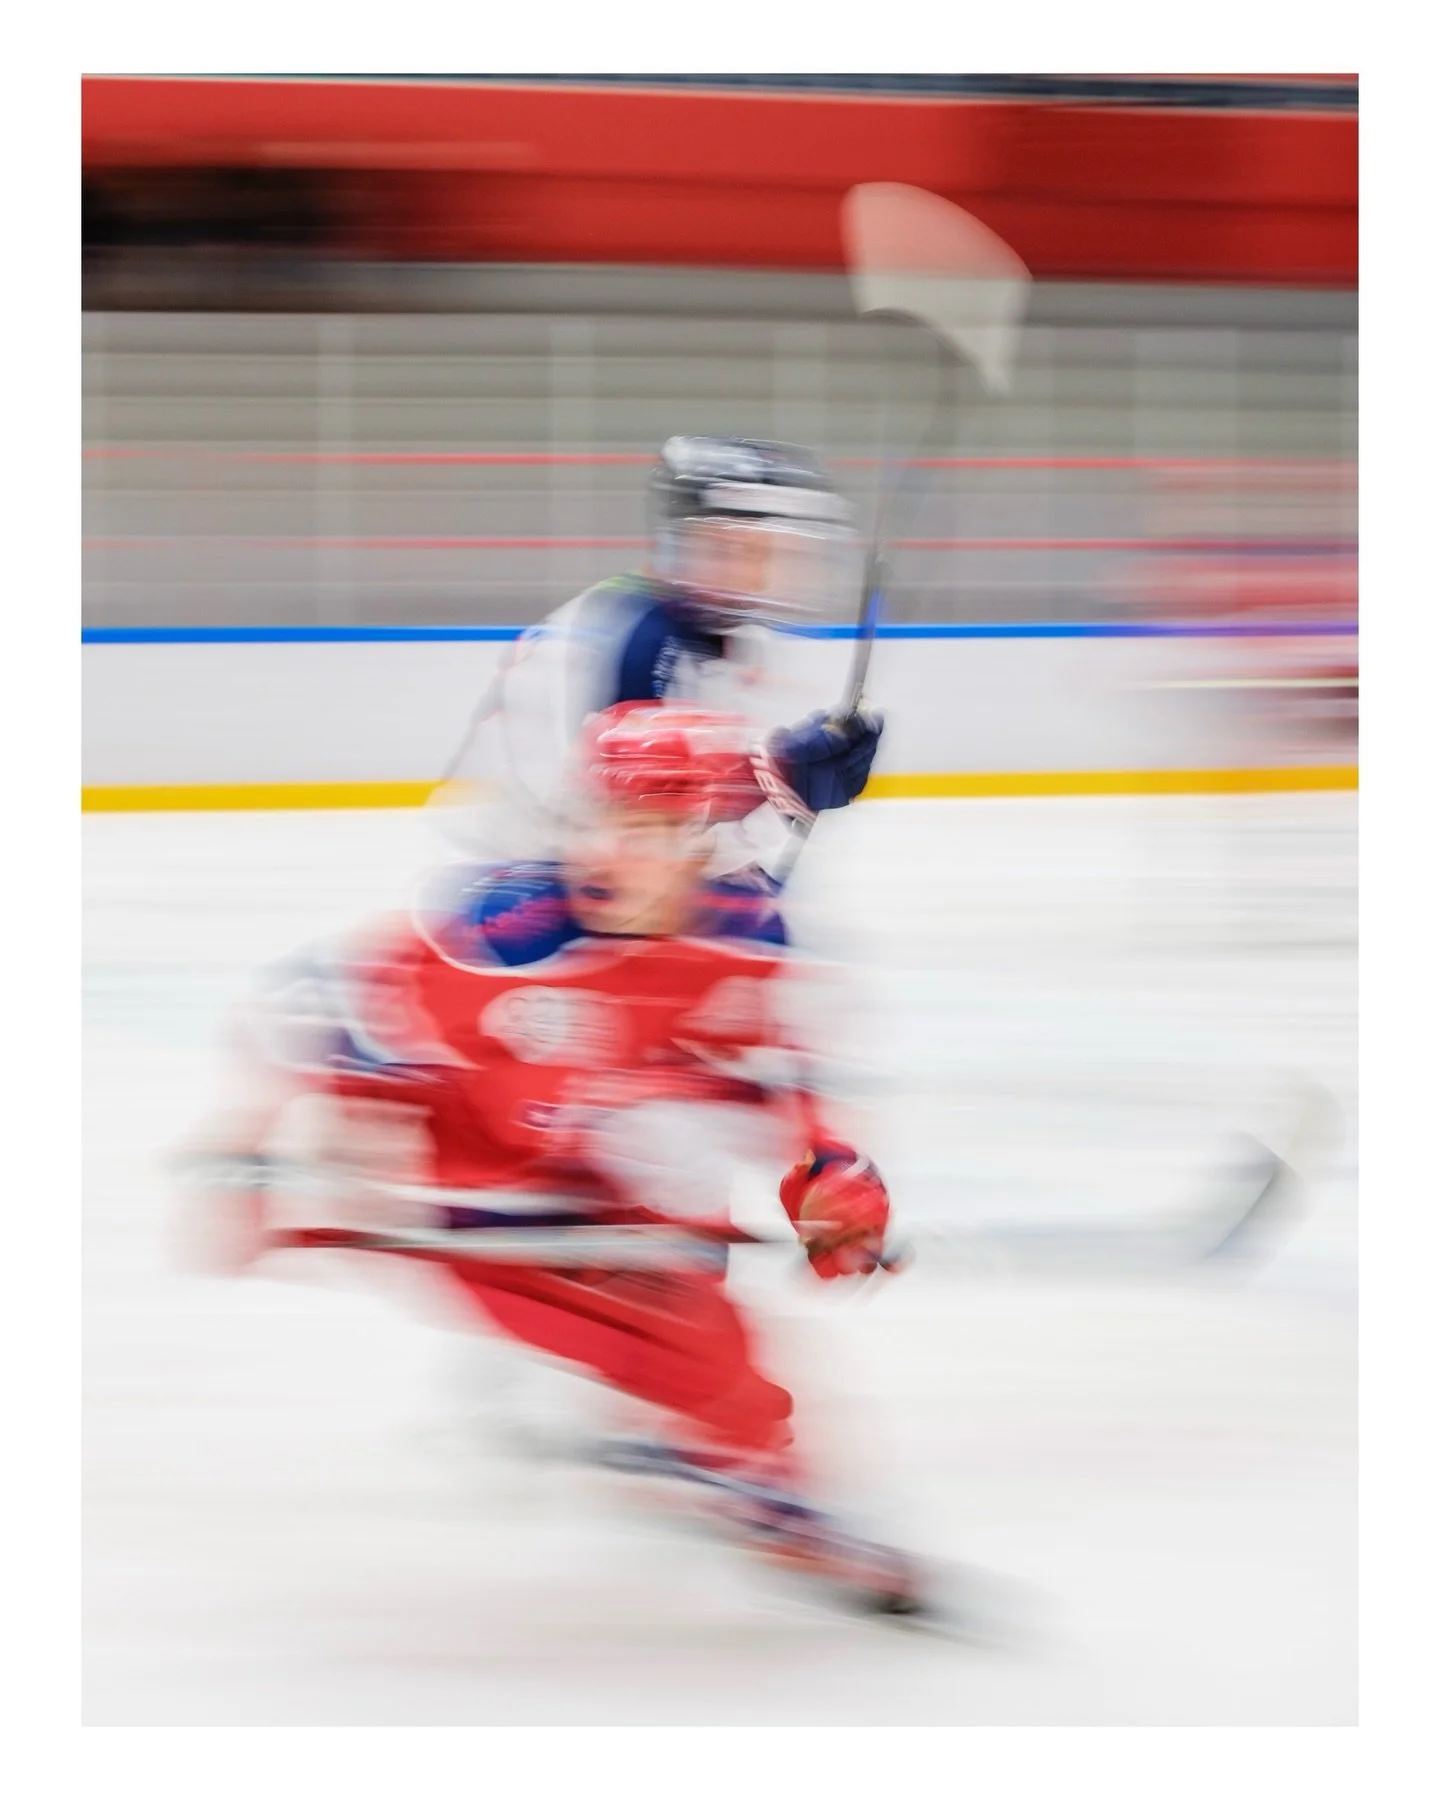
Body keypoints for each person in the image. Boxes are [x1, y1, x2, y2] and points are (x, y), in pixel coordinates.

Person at [186, 703, 917, 1613]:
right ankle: (735, 1463)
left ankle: (707, 1445)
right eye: (603, 820)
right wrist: (247, 1154)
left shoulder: (743, 934)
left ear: (702, 841)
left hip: (593, 1172)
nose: (613, 853)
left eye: (652, 829)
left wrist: (834, 1186)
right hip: (479, 1184)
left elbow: (787, 1090)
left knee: (708, 1321)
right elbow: (314, 1008)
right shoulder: (503, 928)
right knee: (702, 1349)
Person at [430, 435, 885, 887]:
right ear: (689, 544)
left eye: (772, 553)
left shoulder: (721, 637)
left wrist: (787, 790)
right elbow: (622, 845)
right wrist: (779, 785)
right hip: (517, 888)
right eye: (743, 550)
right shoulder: (625, 641)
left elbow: (674, 839)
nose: (762, 572)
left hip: (599, 884)